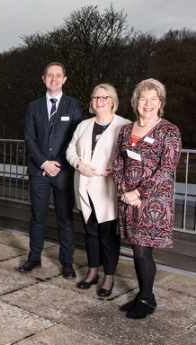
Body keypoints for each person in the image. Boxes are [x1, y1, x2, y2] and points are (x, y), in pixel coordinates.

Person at [113, 78, 181, 319]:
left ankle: (147, 299)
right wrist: (123, 191)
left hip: (152, 202)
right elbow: (118, 162)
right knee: (135, 249)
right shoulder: (125, 130)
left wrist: (138, 193)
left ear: (160, 102)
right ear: (136, 102)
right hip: (128, 201)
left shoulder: (169, 131)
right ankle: (143, 293)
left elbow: (167, 169)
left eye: (154, 98)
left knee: (143, 252)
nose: (148, 103)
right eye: (143, 98)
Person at [20, 62, 83, 279]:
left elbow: (75, 140)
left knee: (64, 218)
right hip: (39, 172)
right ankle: (34, 258)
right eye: (50, 75)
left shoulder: (74, 106)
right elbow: (29, 138)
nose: (54, 79)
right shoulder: (33, 106)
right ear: (43, 78)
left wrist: (56, 164)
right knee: (37, 217)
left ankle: (67, 262)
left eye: (58, 76)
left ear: (64, 79)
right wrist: (43, 163)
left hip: (63, 172)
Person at [66, 83, 130, 297]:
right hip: (85, 185)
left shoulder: (125, 125)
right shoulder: (84, 125)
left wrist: (120, 167)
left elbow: (131, 155)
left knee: (108, 234)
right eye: (95, 98)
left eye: (104, 97)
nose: (99, 101)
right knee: (90, 232)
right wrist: (78, 164)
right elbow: (70, 149)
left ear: (112, 100)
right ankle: (92, 271)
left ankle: (108, 277)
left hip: (108, 187)